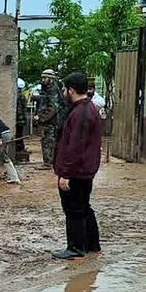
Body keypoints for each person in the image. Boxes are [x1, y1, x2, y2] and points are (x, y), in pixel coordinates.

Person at [52, 72, 103, 259]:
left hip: (77, 172)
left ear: (71, 90)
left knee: (74, 209)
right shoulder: (86, 109)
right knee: (83, 207)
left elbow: (75, 147)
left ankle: (75, 248)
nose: (64, 92)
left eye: (65, 89)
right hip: (82, 170)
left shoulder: (81, 113)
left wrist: (66, 173)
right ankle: (92, 245)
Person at [35, 69, 65, 166]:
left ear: (51, 79)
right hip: (49, 122)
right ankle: (49, 162)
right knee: (47, 141)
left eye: (45, 78)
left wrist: (41, 117)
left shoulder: (52, 90)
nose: (43, 80)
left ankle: (48, 163)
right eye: (42, 78)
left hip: (51, 122)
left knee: (48, 141)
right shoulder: (48, 89)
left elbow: (54, 107)